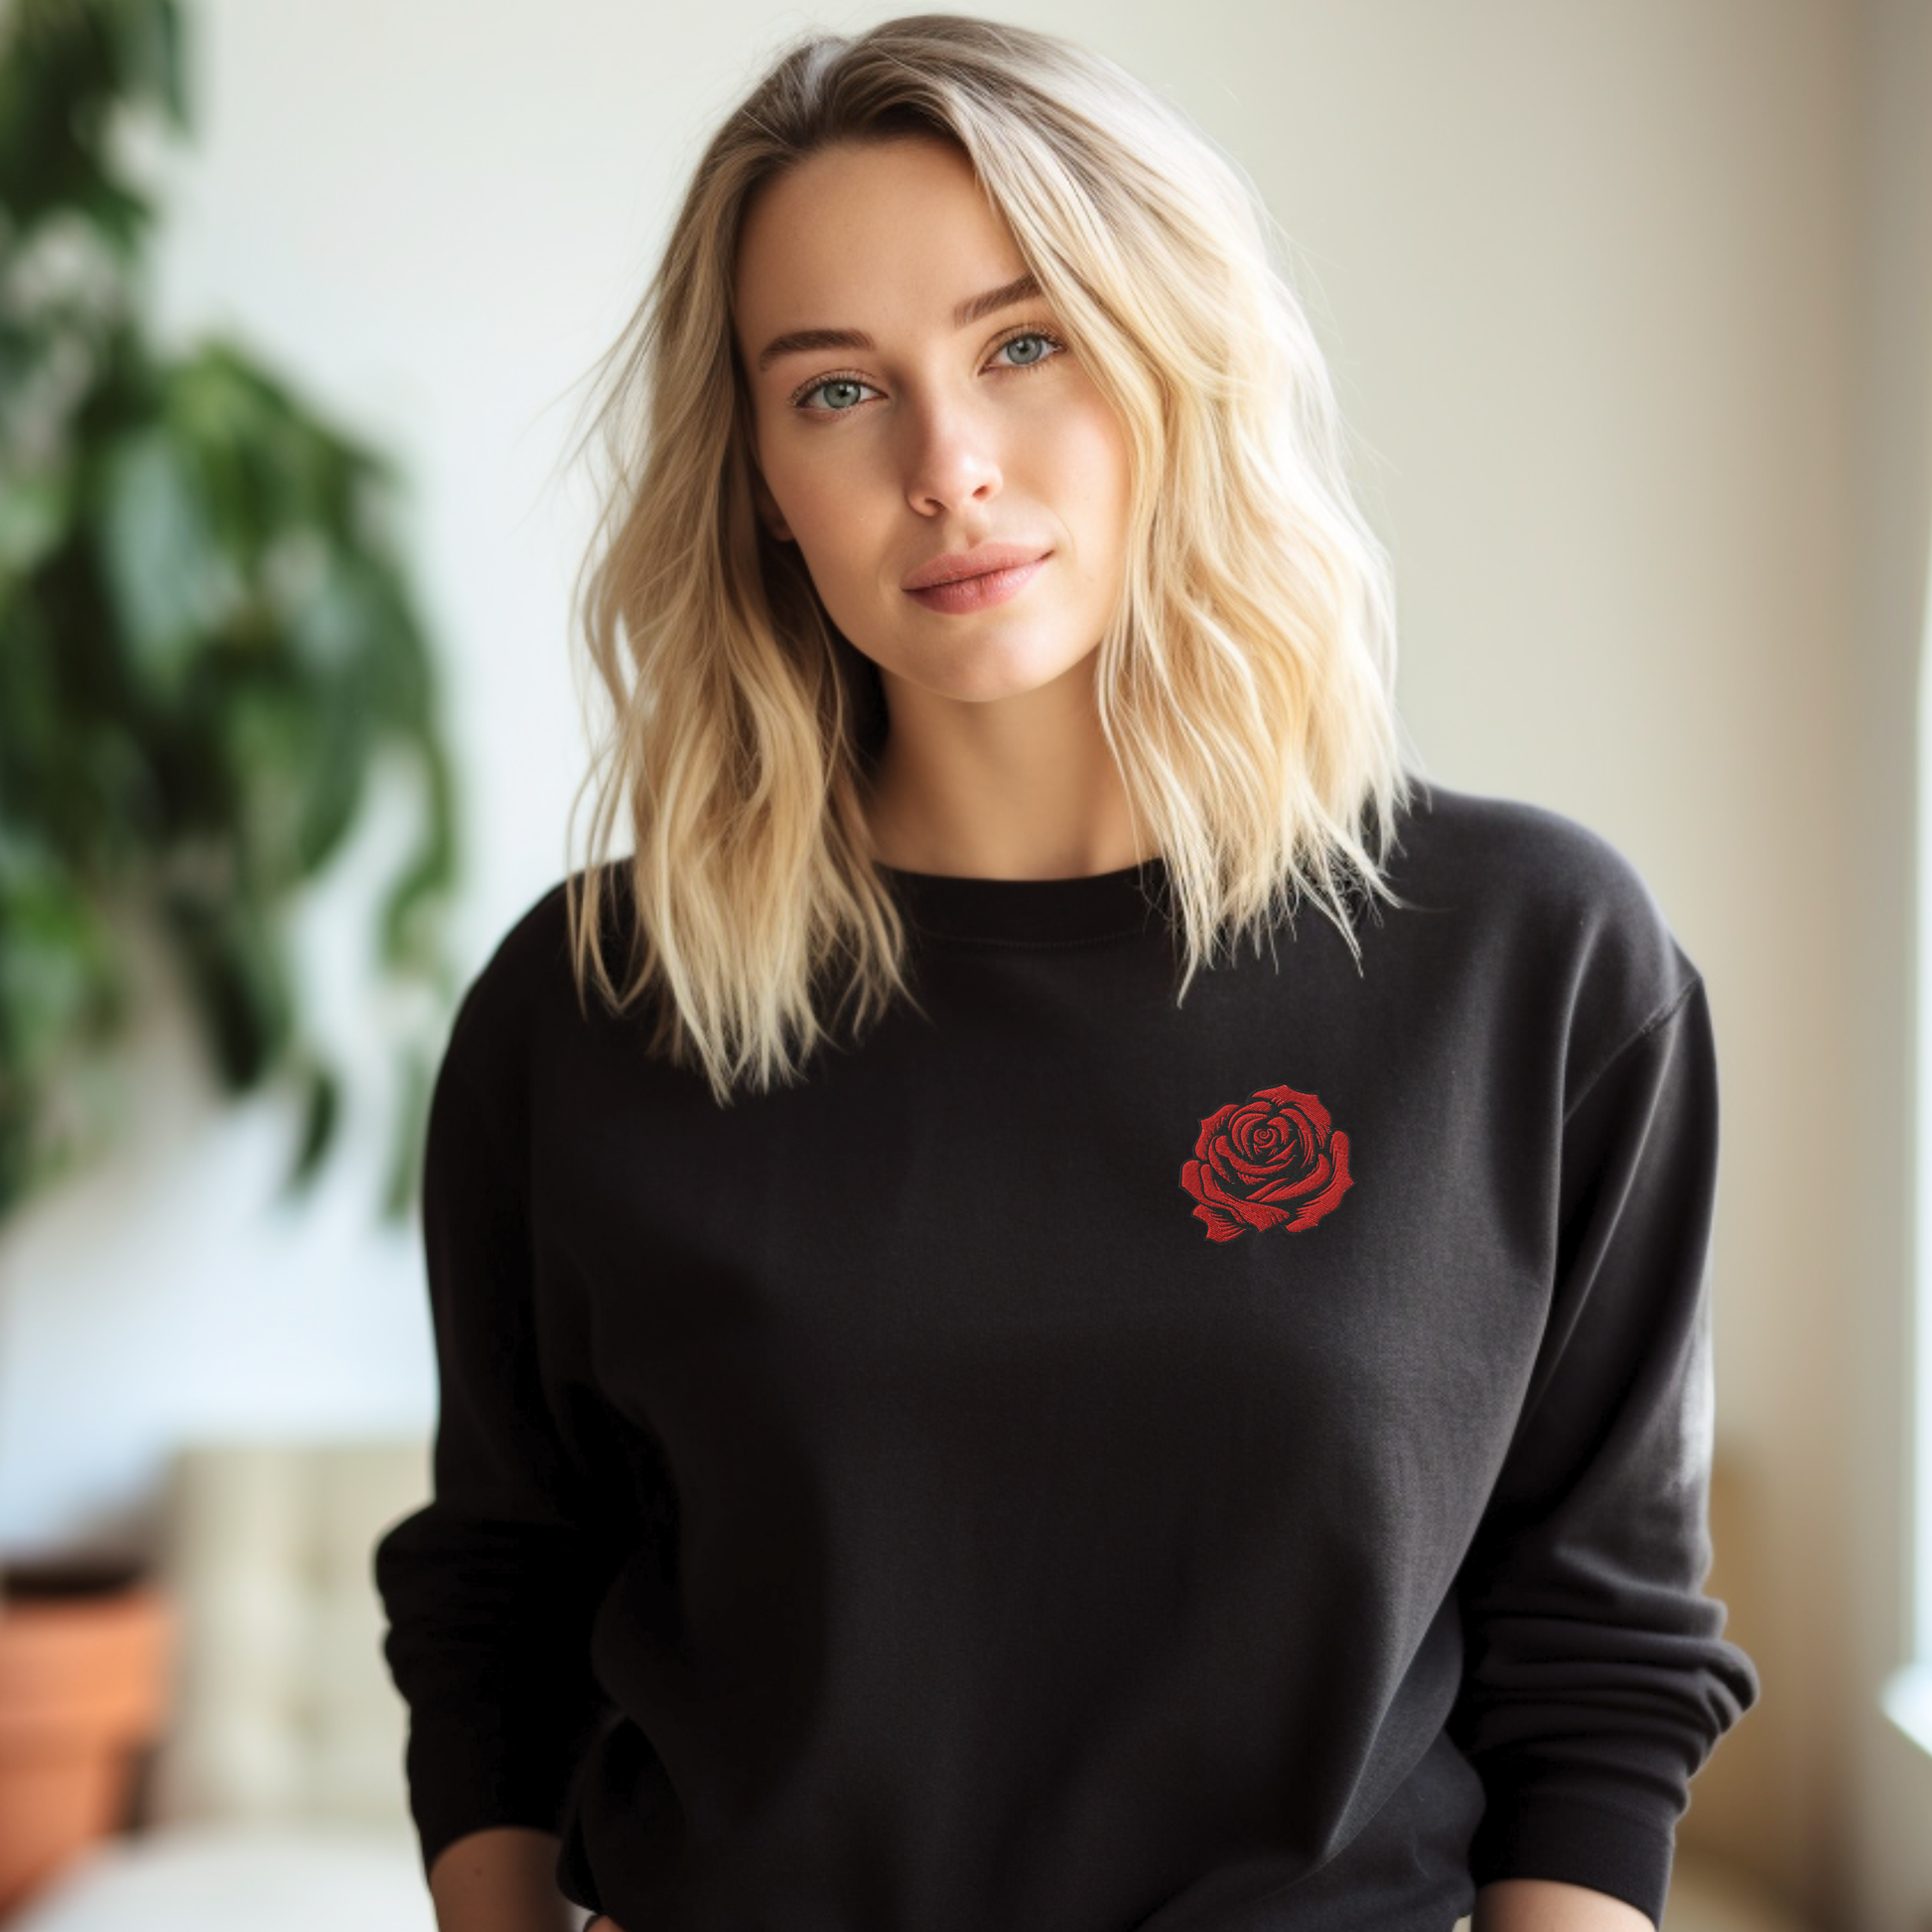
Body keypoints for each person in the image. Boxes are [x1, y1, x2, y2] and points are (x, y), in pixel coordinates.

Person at [373, 15, 1759, 1932]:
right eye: (836, 391)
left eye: (1025, 345)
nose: (947, 466)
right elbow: (500, 1604)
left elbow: (1597, 1651)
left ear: (1173, 373)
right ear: (763, 474)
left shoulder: (1530, 965)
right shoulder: (595, 1002)